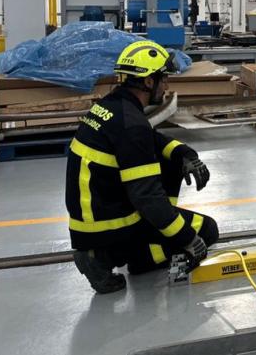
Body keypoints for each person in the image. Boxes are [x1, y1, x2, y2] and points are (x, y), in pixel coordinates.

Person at [65, 40, 219, 294]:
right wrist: (188, 240)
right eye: (164, 78)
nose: (166, 85)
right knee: (207, 229)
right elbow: (147, 197)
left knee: (170, 161)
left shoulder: (112, 107)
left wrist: (185, 154)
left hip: (94, 216)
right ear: (149, 82)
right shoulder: (132, 124)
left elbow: (151, 139)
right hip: (109, 225)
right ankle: (110, 258)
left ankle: (112, 251)